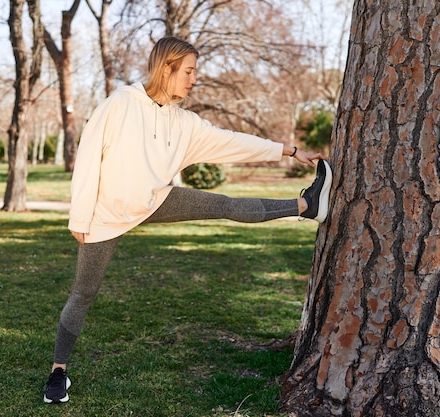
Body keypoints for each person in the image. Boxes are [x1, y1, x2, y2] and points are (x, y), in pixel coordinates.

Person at [43, 36, 332, 404]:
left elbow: (234, 142)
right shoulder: (120, 104)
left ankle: (307, 206)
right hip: (106, 214)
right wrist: (79, 216)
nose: (193, 79)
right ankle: (58, 373)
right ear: (167, 68)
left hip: (157, 200)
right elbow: (86, 159)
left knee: (225, 204)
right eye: (189, 71)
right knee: (83, 293)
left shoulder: (185, 124)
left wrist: (289, 151)